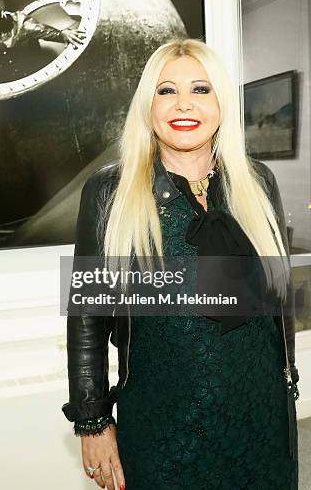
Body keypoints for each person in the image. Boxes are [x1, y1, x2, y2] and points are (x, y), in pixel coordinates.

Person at [61, 37, 300, 490]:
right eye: (166, 90)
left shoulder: (258, 182)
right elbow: (87, 315)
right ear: (147, 106)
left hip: (260, 410)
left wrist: (288, 380)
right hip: (163, 421)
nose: (183, 104)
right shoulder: (110, 192)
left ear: (221, 104)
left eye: (201, 89)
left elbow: (278, 297)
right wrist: (92, 422)